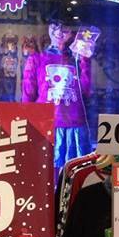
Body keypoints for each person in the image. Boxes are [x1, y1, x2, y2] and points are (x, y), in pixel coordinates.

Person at [21, 18, 94, 171]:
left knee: (74, 175)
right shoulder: (37, 59)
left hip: (74, 125)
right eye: (55, 26)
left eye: (64, 27)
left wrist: (85, 61)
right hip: (46, 125)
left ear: (71, 33)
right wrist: (26, 125)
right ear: (48, 29)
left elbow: (86, 91)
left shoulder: (77, 59)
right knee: (45, 174)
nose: (59, 31)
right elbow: (28, 94)